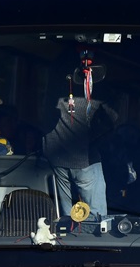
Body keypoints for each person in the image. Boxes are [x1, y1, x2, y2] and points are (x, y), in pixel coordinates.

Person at [43, 64, 117, 221]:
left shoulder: (55, 95)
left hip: (57, 159)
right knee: (96, 215)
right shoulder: (95, 96)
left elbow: (45, 121)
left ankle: (67, 239)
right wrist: (95, 136)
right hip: (86, 159)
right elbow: (112, 117)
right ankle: (94, 238)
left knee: (65, 212)